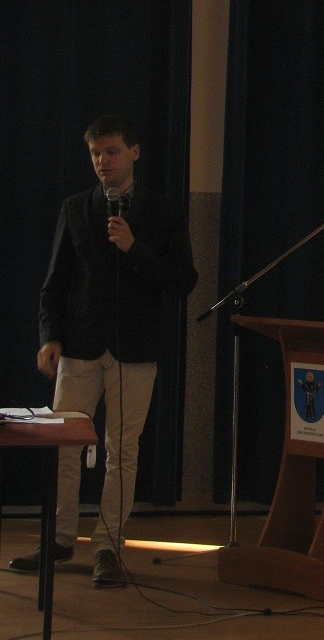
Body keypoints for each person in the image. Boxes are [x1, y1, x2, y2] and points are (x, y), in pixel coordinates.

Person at [9, 114, 197, 587]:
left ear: (134, 152)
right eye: (95, 153)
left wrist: (135, 248)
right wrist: (49, 337)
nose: (102, 161)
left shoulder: (164, 211)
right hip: (80, 345)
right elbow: (55, 282)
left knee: (122, 451)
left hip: (136, 347)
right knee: (63, 446)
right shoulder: (76, 208)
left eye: (111, 151)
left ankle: (109, 547)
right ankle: (58, 539)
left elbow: (183, 279)